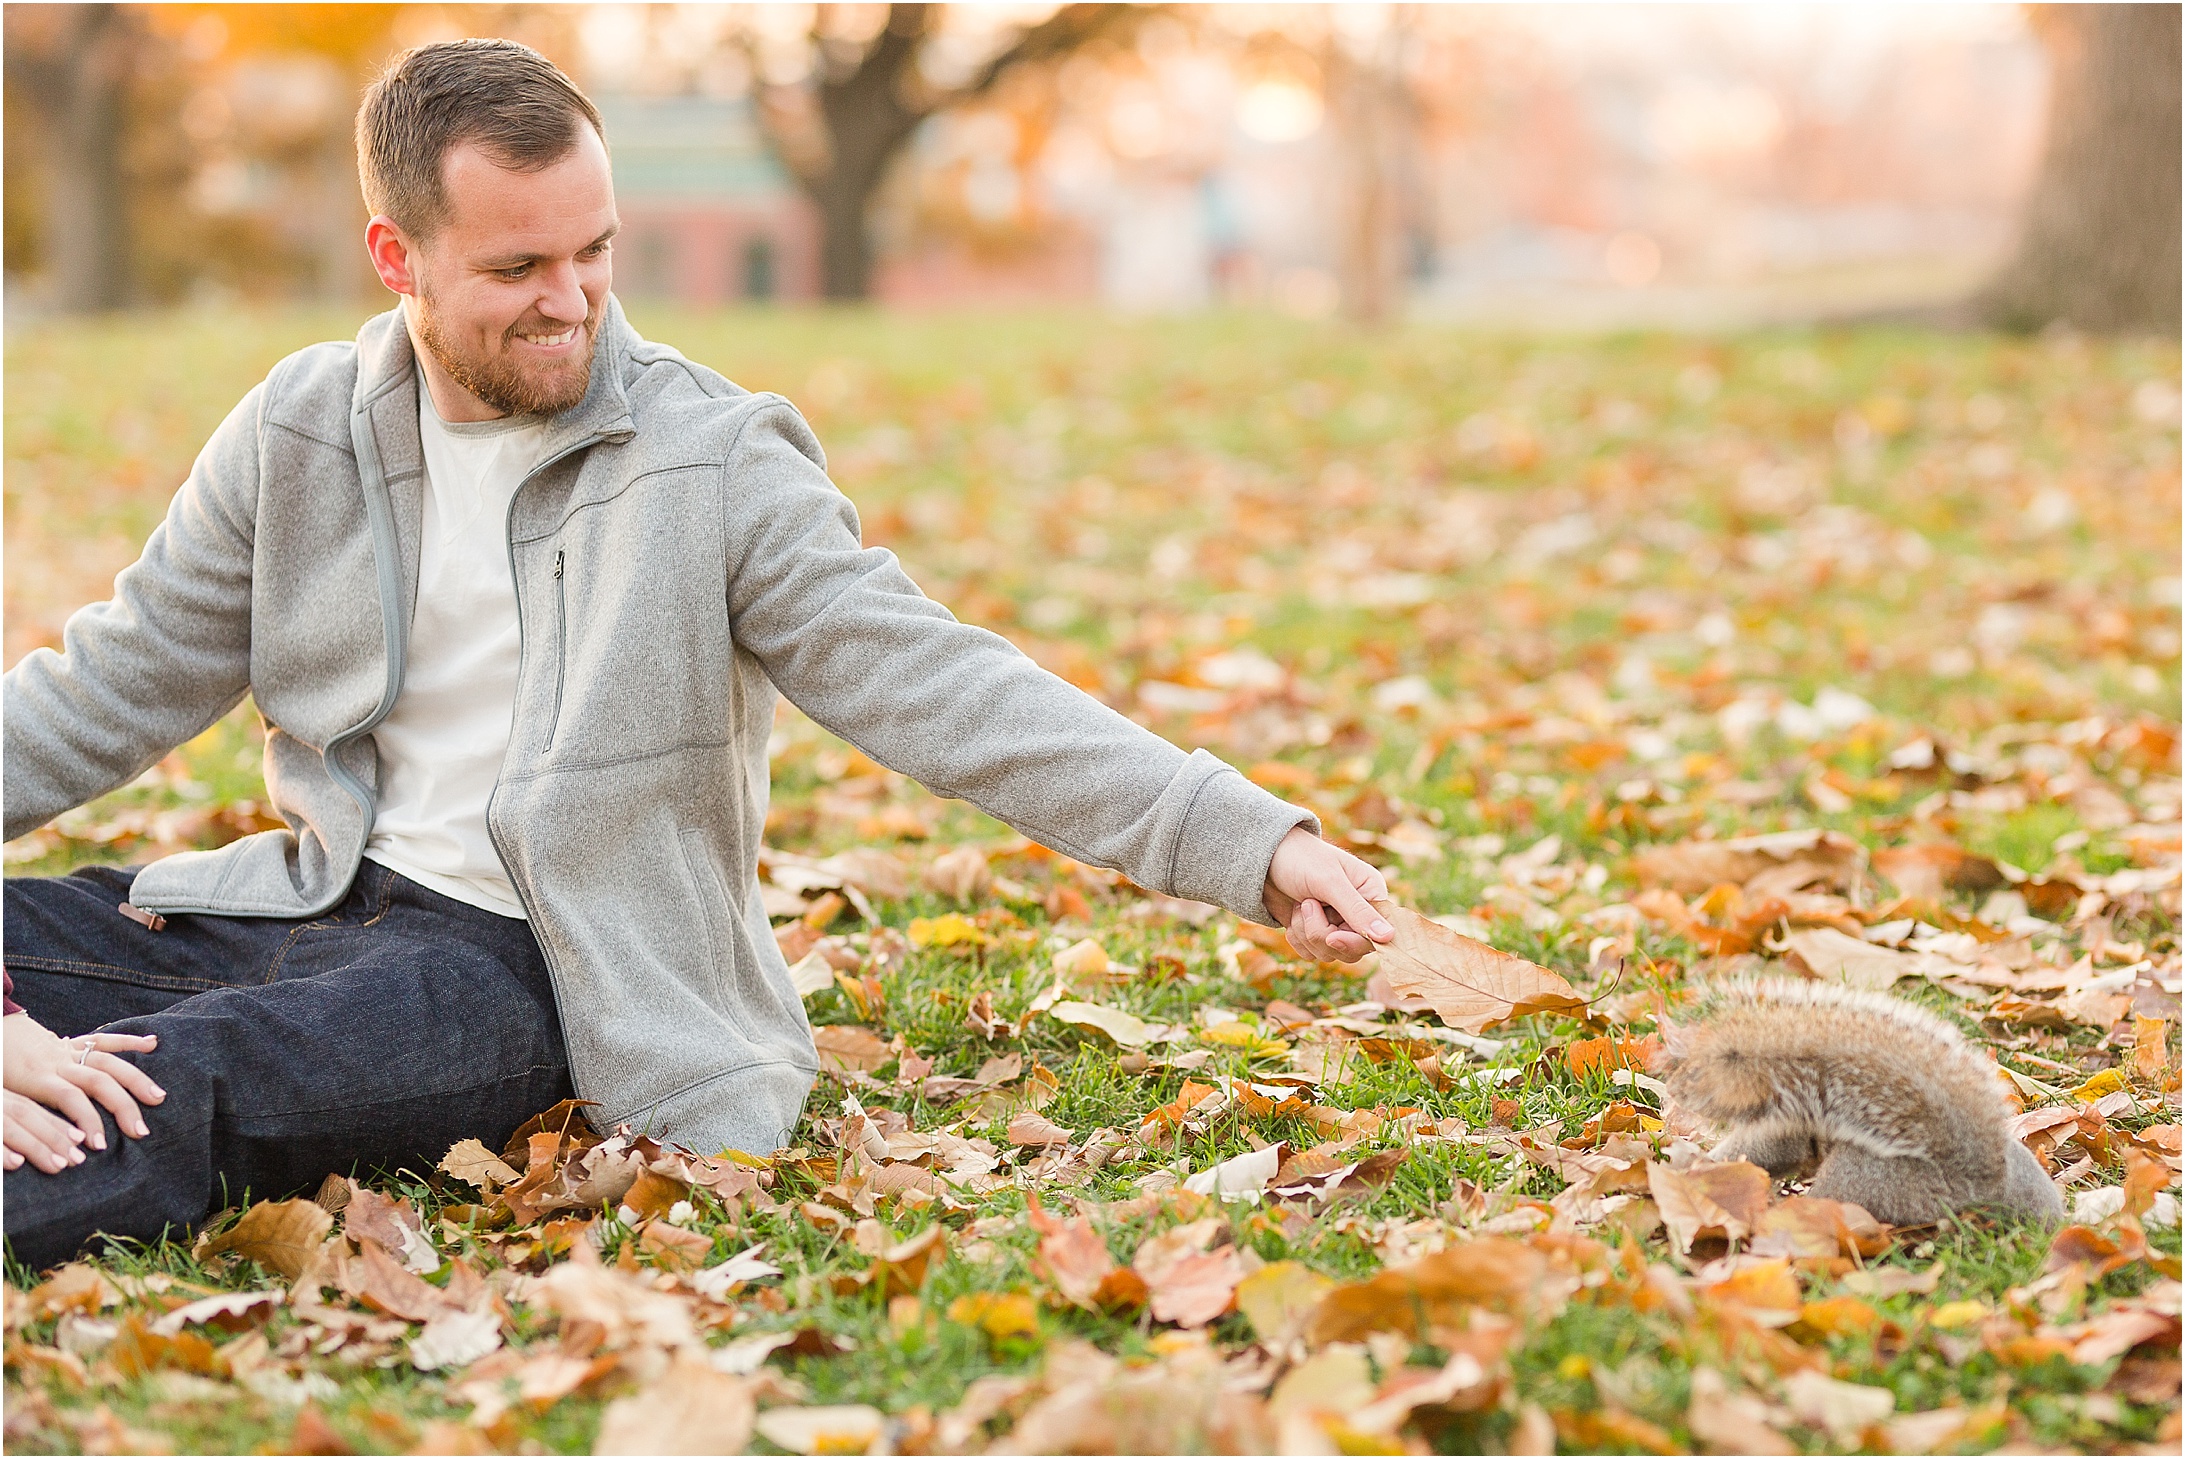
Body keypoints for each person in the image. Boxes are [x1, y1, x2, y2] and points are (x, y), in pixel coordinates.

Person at [1, 39, 1390, 1272]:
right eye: (516, 268)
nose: (573, 301)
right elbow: (107, 682)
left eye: (594, 250)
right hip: (299, 898)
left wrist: (1244, 839)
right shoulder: (300, 427)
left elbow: (937, 681)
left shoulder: (709, 456)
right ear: (395, 258)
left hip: (530, 964)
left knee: (159, 1085)